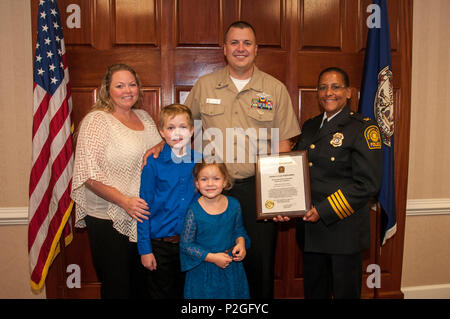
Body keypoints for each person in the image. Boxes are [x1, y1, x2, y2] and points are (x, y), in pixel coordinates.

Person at [183, 20, 301, 299]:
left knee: (259, 263)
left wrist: (283, 197)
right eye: (234, 42)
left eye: (247, 43)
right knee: (214, 261)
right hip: (212, 191)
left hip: (258, 189)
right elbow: (183, 130)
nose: (240, 48)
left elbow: (283, 143)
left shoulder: (274, 89)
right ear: (224, 49)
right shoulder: (205, 86)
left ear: (256, 49)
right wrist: (157, 146)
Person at [71, 63, 162, 298]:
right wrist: (124, 201)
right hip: (109, 219)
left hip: (143, 219)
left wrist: (162, 144)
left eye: (132, 84)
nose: (127, 90)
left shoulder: (144, 117)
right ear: (107, 90)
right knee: (117, 289)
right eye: (119, 85)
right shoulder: (97, 121)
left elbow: (161, 146)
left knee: (143, 288)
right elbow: (88, 173)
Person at [295, 67, 383, 299]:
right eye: (322, 87)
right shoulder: (310, 126)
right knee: (314, 294)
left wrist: (323, 210)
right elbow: (296, 171)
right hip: (311, 231)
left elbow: (368, 184)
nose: (328, 93)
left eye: (335, 87)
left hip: (343, 232)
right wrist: (282, 206)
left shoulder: (364, 128)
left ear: (349, 92)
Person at [137, 103, 200, 299]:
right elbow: (143, 208)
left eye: (183, 127)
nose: (177, 133)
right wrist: (145, 250)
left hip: (191, 245)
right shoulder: (152, 163)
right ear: (161, 132)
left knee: (189, 294)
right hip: (160, 247)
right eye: (171, 128)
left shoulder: (200, 161)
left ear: (191, 130)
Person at [180, 160, 250, 299]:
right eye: (204, 179)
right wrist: (212, 258)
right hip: (203, 271)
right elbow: (186, 245)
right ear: (197, 183)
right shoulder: (193, 211)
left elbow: (239, 230)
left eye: (216, 179)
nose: (210, 184)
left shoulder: (234, 205)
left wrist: (241, 244)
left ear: (224, 182)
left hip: (231, 269)